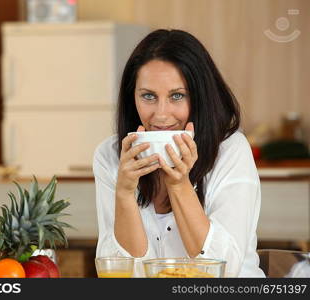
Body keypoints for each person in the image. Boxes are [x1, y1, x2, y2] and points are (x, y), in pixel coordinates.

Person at [93, 29, 265, 277]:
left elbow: (224, 270)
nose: (162, 115)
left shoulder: (231, 151)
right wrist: (124, 194)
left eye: (177, 96)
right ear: (133, 98)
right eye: (148, 96)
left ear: (199, 97)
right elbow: (122, 273)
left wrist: (179, 185)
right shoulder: (110, 155)